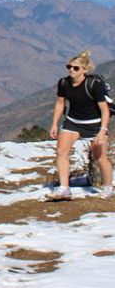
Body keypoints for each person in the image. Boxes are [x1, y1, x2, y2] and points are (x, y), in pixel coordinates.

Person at [48, 51, 113, 200]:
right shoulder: (64, 83)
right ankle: (64, 189)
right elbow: (60, 103)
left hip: (95, 124)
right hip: (73, 122)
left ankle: (108, 187)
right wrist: (54, 123)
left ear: (85, 70)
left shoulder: (93, 85)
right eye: (69, 67)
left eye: (76, 68)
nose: (71, 70)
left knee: (101, 157)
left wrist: (102, 131)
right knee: (61, 153)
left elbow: (104, 110)